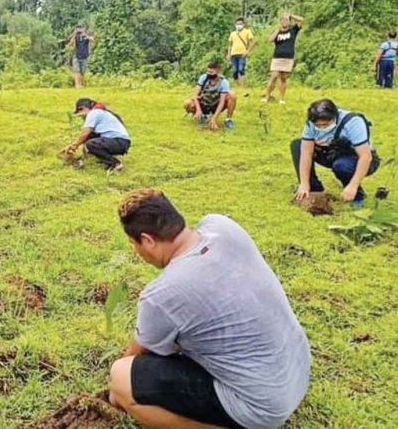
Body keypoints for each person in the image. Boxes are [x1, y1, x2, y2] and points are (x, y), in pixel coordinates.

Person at [109, 189, 310, 429]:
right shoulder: (222, 226)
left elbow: (135, 355)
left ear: (148, 240)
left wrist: (115, 396)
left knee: (121, 377)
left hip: (259, 407)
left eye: (134, 244)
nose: (135, 251)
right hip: (295, 372)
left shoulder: (162, 294)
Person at [291, 99, 380, 208]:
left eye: (325, 124)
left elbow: (365, 156)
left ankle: (357, 194)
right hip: (332, 153)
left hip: (359, 158)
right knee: (297, 145)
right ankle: (314, 189)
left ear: (334, 117)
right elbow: (306, 153)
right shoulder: (310, 123)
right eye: (318, 125)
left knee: (342, 166)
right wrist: (304, 183)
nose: (321, 128)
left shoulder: (353, 122)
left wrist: (353, 185)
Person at [64, 98, 130, 173]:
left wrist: (74, 145)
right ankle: (94, 160)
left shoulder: (94, 113)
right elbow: (88, 136)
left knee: (91, 144)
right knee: (90, 139)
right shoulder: (101, 112)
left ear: (82, 108)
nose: (82, 118)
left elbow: (84, 133)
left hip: (119, 141)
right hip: (121, 142)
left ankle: (115, 164)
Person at [263, 13, 304, 104]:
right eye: (283, 20)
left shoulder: (293, 30)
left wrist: (291, 15)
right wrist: (278, 29)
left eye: (286, 20)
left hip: (288, 58)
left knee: (283, 78)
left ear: (289, 22)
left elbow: (301, 20)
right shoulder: (278, 32)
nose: (284, 21)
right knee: (273, 76)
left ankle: (281, 98)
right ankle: (266, 97)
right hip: (277, 57)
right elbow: (270, 40)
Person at [184, 62, 236, 131]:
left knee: (232, 95)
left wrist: (214, 119)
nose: (209, 74)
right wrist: (199, 110)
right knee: (187, 103)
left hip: (216, 104)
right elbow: (195, 96)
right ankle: (202, 117)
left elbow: (222, 102)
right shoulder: (203, 78)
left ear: (218, 71)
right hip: (204, 103)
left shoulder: (224, 82)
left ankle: (228, 120)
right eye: (208, 71)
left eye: (211, 72)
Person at [226, 17, 256, 87]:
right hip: (233, 54)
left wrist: (247, 51)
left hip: (242, 54)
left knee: (241, 70)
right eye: (237, 24)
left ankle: (242, 86)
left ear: (243, 24)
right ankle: (237, 86)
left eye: (240, 24)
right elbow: (230, 45)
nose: (238, 25)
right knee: (234, 71)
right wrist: (228, 54)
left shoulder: (247, 31)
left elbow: (253, 42)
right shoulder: (233, 33)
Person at [67, 24, 94, 89]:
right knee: (76, 70)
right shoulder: (75, 36)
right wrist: (74, 35)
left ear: (84, 28)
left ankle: (80, 84)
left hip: (84, 56)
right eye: (78, 28)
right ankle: (77, 85)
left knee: (82, 71)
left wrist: (86, 36)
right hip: (76, 55)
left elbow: (92, 40)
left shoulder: (86, 36)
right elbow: (70, 44)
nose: (79, 29)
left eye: (81, 28)